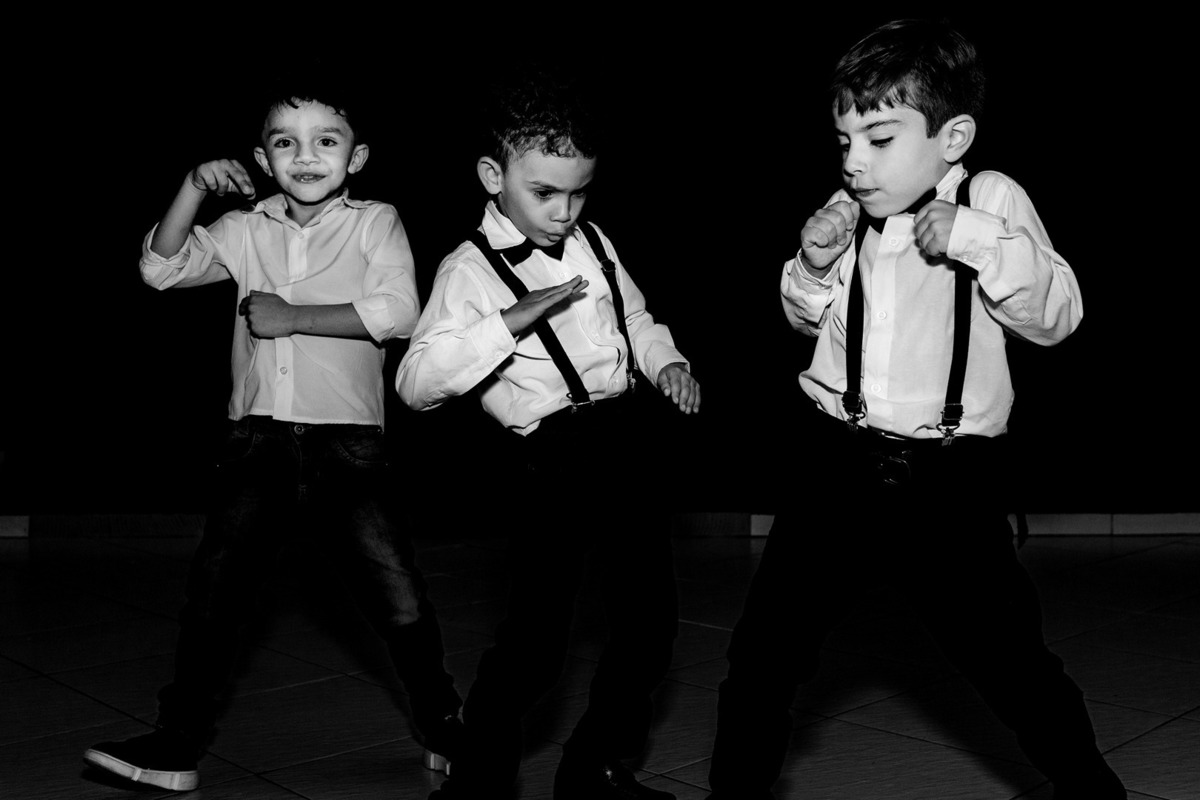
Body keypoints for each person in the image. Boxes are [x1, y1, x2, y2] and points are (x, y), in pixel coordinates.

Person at [707, 19, 1125, 800]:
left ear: (953, 136)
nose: (855, 162)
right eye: (843, 142)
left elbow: (1058, 315)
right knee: (764, 656)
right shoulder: (846, 209)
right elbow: (807, 319)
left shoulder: (991, 197)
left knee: (1010, 663)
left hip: (949, 478)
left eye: (879, 138)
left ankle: (1092, 791)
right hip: (834, 458)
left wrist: (977, 239)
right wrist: (812, 262)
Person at [83, 81, 462, 792]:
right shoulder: (245, 228)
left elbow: (401, 310)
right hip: (255, 442)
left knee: (396, 593)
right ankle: (177, 744)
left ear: (358, 157)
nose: (306, 155)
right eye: (285, 142)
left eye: (328, 140)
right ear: (263, 157)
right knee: (215, 597)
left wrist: (294, 317)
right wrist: (195, 186)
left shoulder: (375, 220)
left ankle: (446, 726)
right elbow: (159, 269)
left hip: (348, 444)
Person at [395, 69, 700, 800]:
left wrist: (669, 363)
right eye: (545, 193)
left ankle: (596, 766)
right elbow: (415, 385)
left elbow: (638, 320)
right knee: (534, 650)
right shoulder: (468, 270)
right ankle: (478, 783)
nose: (565, 212)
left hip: (624, 441)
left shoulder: (593, 240)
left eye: (579, 191)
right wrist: (509, 322)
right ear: (492, 175)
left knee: (650, 630)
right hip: (551, 460)